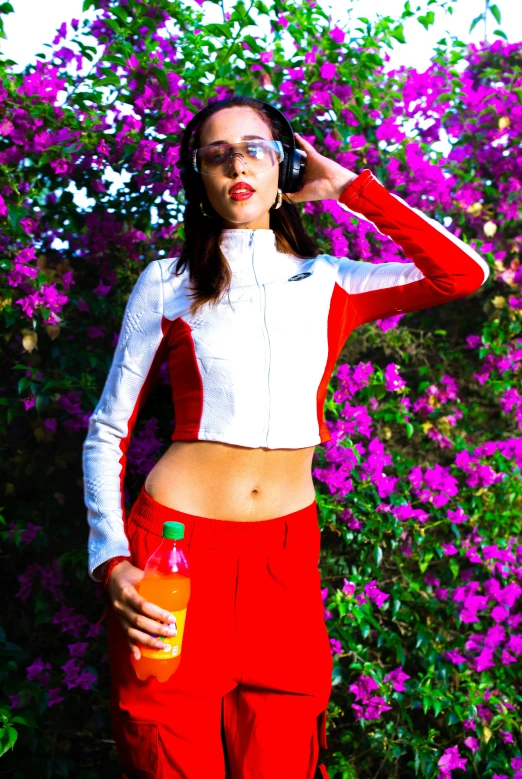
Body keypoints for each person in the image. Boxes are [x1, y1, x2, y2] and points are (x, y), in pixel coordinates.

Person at [82, 96, 490, 779]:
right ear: (199, 177)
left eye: (256, 148)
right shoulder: (168, 282)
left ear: (284, 167)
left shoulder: (331, 280)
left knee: (283, 748)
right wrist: (112, 560)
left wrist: (352, 189)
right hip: (175, 556)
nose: (236, 163)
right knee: (167, 746)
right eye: (216, 153)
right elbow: (107, 429)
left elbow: (464, 273)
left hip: (284, 559)